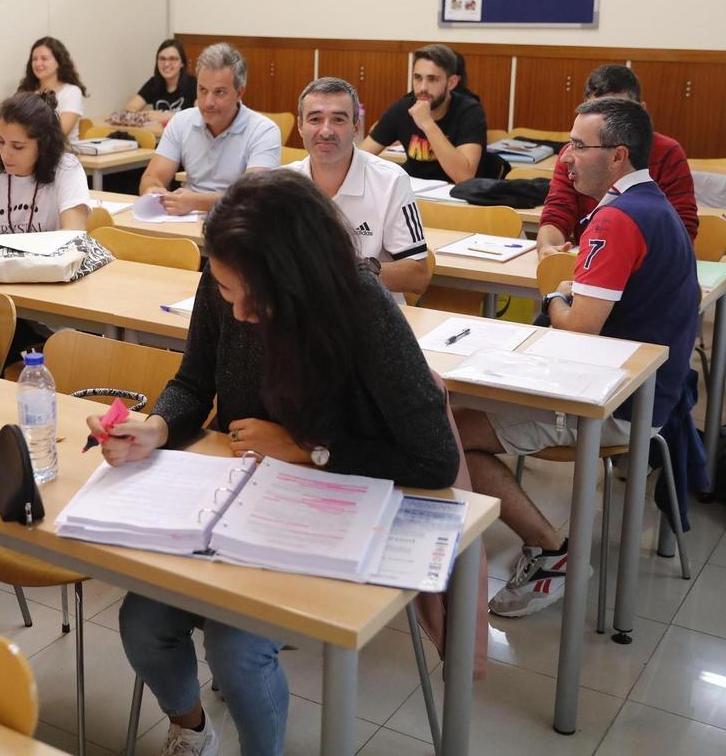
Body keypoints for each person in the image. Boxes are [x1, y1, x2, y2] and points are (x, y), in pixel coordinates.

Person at [88, 170, 460, 755]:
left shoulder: (361, 307)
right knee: (142, 623)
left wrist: (309, 448)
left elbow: (434, 459)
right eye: (224, 291)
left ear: (291, 278)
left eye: (242, 296)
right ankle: (193, 732)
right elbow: (194, 380)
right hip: (237, 495)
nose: (232, 311)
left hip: (331, 506)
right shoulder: (225, 280)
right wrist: (156, 428)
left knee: (237, 649)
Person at [456, 98, 700, 618]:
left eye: (578, 145)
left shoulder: (619, 218)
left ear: (617, 156)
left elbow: (580, 326)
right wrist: (572, 293)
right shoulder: (650, 204)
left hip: (612, 404)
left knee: (447, 431)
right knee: (456, 415)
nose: (565, 157)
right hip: (644, 392)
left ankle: (551, 552)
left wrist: (554, 297)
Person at [285, 77, 429, 301]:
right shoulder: (282, 184)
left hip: (370, 313)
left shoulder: (390, 180)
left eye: (338, 120)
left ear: (356, 127)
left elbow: (418, 276)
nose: (326, 131)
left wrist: (348, 272)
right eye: (315, 119)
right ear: (300, 126)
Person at [537, 64, 699, 258]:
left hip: (641, 265)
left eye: (618, 114)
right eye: (599, 113)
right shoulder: (572, 155)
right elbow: (557, 211)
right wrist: (549, 248)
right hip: (594, 259)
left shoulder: (667, 153)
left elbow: (681, 227)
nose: (609, 125)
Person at [139, 43, 281, 215]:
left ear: (240, 93)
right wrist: (154, 190)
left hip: (238, 223)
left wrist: (196, 202)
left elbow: (254, 196)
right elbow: (152, 177)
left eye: (219, 92)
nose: (208, 102)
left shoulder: (263, 130)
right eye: (203, 90)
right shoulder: (181, 121)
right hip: (183, 222)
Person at [0, 91, 90, 234]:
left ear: (44, 144)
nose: (5, 153)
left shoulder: (66, 168)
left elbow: (73, 234)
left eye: (18, 147)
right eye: (0, 141)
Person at [360, 44, 487, 184]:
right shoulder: (403, 108)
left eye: (432, 79)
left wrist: (427, 123)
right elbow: (359, 158)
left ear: (451, 82)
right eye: (418, 78)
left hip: (456, 199)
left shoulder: (470, 111)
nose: (423, 87)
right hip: (413, 195)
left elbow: (464, 177)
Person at [123, 38, 197, 121]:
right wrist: (148, 115)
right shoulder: (153, 83)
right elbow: (129, 109)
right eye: (162, 59)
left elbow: (199, 115)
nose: (166, 64)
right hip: (159, 133)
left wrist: (168, 116)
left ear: (182, 63)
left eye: (172, 59)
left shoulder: (193, 84)